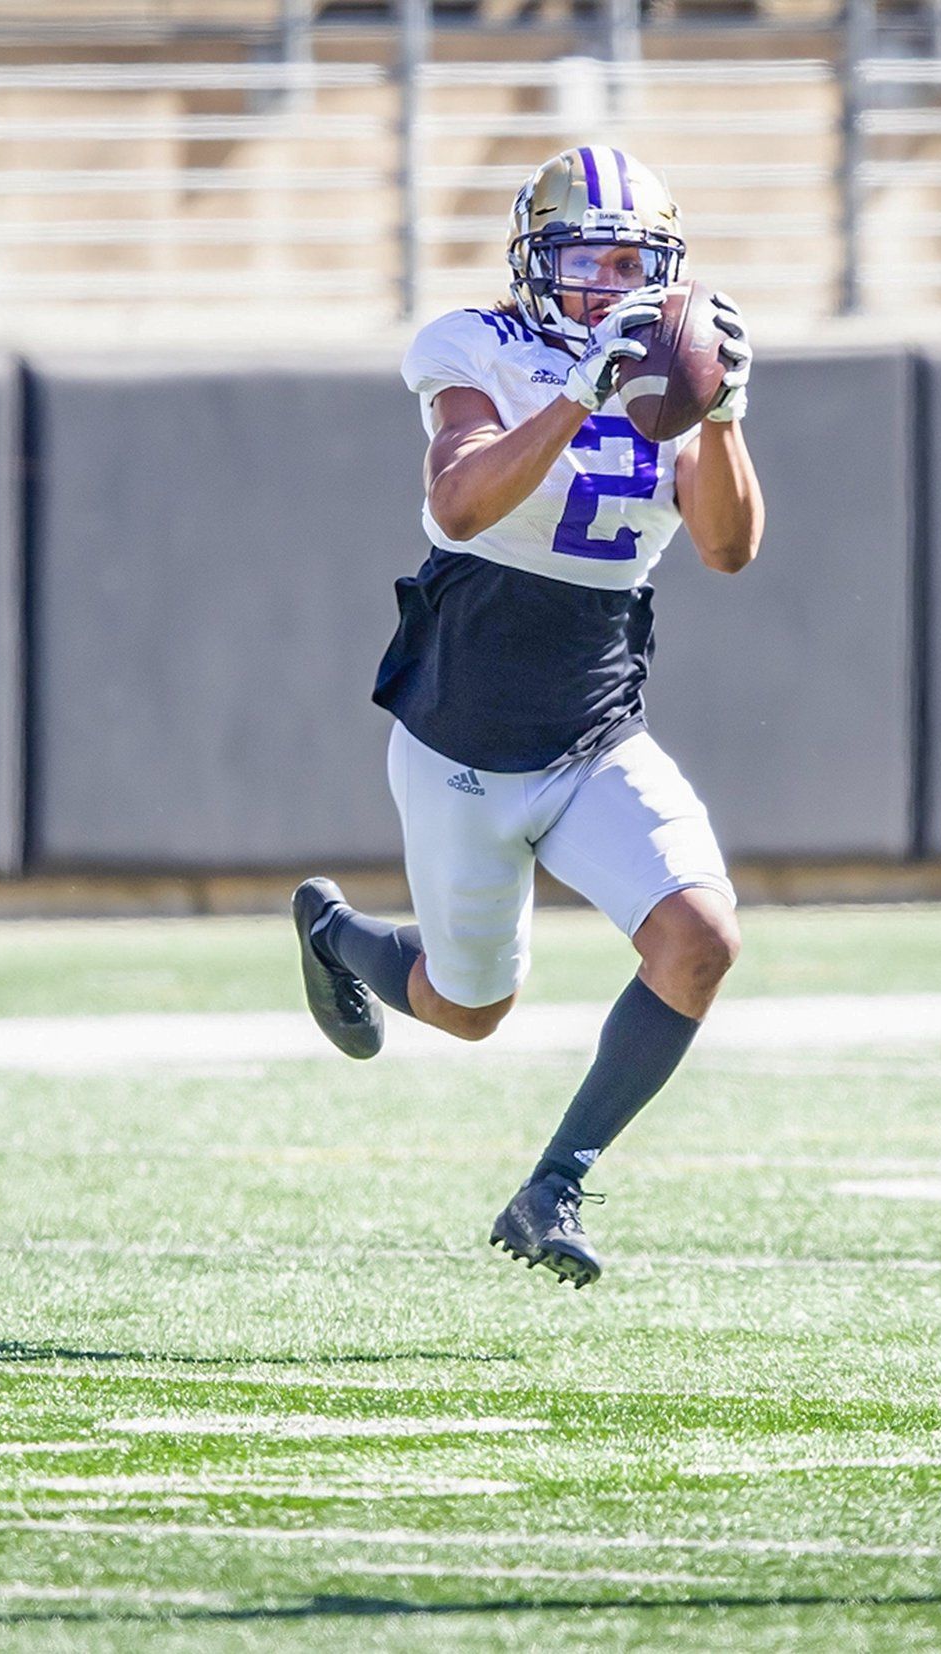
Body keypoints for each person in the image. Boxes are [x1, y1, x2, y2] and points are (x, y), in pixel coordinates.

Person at [292, 145, 763, 1288]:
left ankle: (554, 1184)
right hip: (463, 732)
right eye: (588, 261)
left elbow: (728, 548)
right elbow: (456, 502)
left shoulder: (677, 354)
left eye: (632, 262)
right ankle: (334, 933)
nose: (612, 286)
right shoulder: (476, 346)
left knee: (700, 936)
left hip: (595, 722)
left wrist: (723, 416)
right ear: (535, 262)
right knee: (468, 1010)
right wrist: (575, 396)